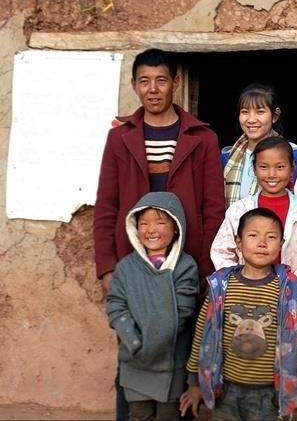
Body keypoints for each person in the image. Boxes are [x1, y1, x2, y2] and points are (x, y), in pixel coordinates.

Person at [93, 48, 226, 420]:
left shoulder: (201, 137)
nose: (153, 89)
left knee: (182, 357)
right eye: (144, 81)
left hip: (183, 269)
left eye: (161, 80)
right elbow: (106, 204)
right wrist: (107, 267)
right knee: (131, 354)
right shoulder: (120, 138)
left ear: (175, 83)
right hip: (133, 267)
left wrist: (206, 269)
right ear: (134, 85)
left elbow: (213, 208)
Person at [179, 207, 297, 421]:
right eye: (253, 235)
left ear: (281, 244)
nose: (262, 243)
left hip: (271, 395)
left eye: (271, 237)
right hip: (224, 390)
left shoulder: (288, 290)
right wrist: (193, 383)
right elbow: (203, 334)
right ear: (238, 242)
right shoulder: (221, 286)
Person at [211, 136, 297, 365]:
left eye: (280, 167)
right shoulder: (239, 210)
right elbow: (221, 250)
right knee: (249, 363)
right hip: (247, 300)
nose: (272, 174)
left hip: (292, 302)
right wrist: (241, 282)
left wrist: (289, 288)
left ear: (292, 168)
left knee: (292, 366)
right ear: (254, 169)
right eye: (264, 167)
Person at [106, 191, 199, 421]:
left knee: (169, 414)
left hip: (170, 363)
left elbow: (182, 312)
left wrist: (151, 344)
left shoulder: (185, 267)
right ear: (134, 228)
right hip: (135, 360)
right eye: (144, 223)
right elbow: (116, 305)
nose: (151, 229)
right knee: (139, 414)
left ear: (176, 227)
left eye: (160, 222)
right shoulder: (126, 268)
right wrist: (134, 342)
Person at [221, 83, 297, 208]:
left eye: (260, 112)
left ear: (275, 116)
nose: (251, 120)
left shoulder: (293, 155)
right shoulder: (227, 158)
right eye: (245, 112)